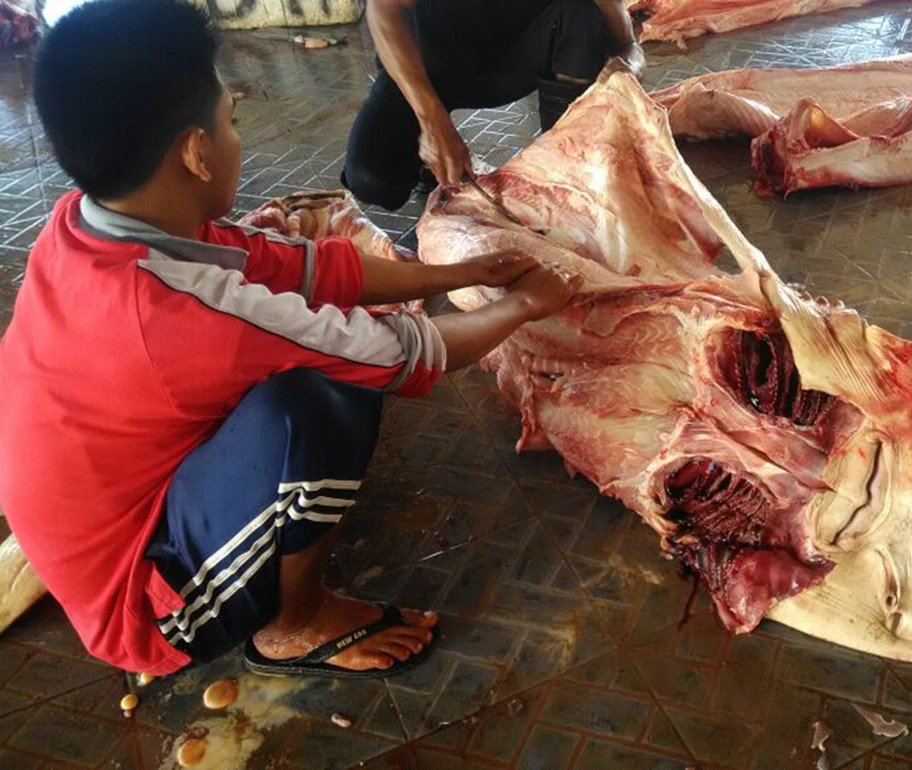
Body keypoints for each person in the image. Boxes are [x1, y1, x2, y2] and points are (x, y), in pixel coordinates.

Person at [0, 0, 581, 678]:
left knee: (316, 349)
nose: (237, 140)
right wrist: (525, 305)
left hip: (107, 522)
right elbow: (405, 355)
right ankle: (294, 624)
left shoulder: (90, 222)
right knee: (326, 394)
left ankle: (254, 552)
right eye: (231, 123)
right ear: (194, 152)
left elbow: (299, 266)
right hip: (146, 607)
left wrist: (457, 272)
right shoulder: (179, 314)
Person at [343, 0, 644, 210]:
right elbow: (384, 7)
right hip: (426, 69)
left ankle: (561, 167)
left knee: (581, 18)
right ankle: (428, 164)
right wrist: (432, 120)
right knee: (373, 181)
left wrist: (625, 69)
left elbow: (627, 45)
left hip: (510, 66)